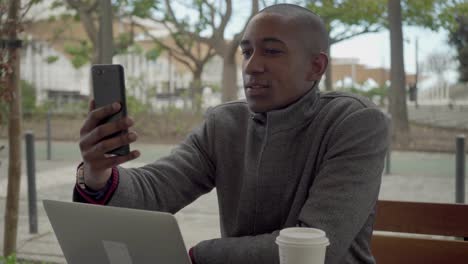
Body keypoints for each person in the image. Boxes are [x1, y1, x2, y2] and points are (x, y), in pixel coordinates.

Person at [74, 3, 389, 264]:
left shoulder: (356, 123)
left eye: (272, 52)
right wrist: (97, 173)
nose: (252, 66)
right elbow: (156, 190)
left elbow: (316, 244)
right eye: (247, 51)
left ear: (316, 67)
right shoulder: (225, 123)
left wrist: (200, 255)